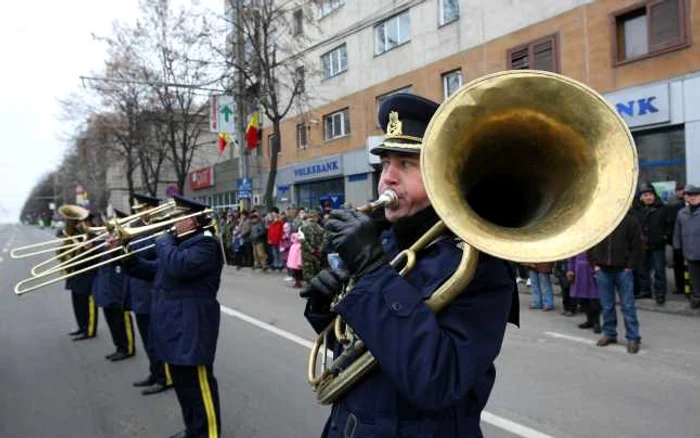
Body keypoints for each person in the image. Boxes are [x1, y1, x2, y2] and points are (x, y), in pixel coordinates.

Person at [300, 93, 518, 437]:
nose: (387, 177)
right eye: (385, 163)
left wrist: (372, 273)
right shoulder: (387, 243)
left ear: (444, 177)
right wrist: (326, 310)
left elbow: (437, 380)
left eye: (405, 163)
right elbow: (359, 351)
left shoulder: (479, 266)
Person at [120, 195, 224, 438]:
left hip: (193, 324)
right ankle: (193, 430)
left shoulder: (206, 244)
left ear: (193, 220)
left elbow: (179, 266)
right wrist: (126, 257)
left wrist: (163, 241)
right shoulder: (179, 244)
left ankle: (208, 434)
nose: (172, 222)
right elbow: (153, 270)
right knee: (183, 385)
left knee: (199, 386)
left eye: (177, 217)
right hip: (173, 323)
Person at [123, 194, 174, 395]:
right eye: (138, 209)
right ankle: (154, 372)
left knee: (158, 339)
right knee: (147, 339)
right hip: (139, 292)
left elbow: (147, 251)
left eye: (142, 208)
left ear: (152, 208)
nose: (138, 213)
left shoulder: (161, 227)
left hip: (153, 291)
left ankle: (165, 376)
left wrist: (126, 243)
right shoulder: (137, 227)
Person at [588, 211, 644, 354]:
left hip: (622, 270)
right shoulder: (599, 221)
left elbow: (637, 246)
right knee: (607, 306)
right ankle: (609, 334)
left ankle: (633, 338)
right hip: (603, 270)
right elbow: (589, 242)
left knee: (628, 306)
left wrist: (629, 266)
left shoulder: (631, 221)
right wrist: (594, 264)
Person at [92, 209, 135, 361]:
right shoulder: (107, 238)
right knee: (111, 317)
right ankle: (119, 346)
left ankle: (127, 347)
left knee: (120, 317)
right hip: (106, 283)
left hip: (118, 282)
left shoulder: (126, 239)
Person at [56, 205, 99, 341]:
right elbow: (64, 252)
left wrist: (85, 249)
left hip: (88, 275)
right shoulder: (73, 235)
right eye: (76, 221)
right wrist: (62, 253)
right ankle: (81, 326)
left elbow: (94, 255)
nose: (77, 224)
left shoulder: (92, 235)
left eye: (81, 221)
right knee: (78, 303)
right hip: (75, 275)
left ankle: (89, 330)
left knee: (88, 304)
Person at [632, 183, 673, 304]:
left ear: (655, 196)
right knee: (642, 271)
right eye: (645, 195)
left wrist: (664, 237)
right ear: (641, 197)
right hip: (642, 246)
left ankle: (660, 294)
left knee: (659, 271)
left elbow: (669, 225)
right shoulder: (637, 211)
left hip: (658, 245)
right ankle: (645, 291)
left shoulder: (663, 209)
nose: (648, 197)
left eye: (650, 195)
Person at [673, 184, 700, 309]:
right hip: (689, 250)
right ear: (687, 198)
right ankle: (696, 298)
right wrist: (677, 246)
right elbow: (677, 232)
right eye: (690, 195)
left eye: (696, 195)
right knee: (694, 277)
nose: (693, 198)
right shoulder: (681, 213)